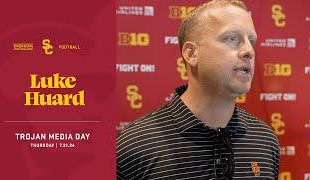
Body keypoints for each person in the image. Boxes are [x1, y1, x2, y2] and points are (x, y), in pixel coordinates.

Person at [117, 0, 280, 179]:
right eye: (232, 38)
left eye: (251, 41)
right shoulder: (133, 147)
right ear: (191, 54)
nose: (249, 51)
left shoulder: (265, 140)